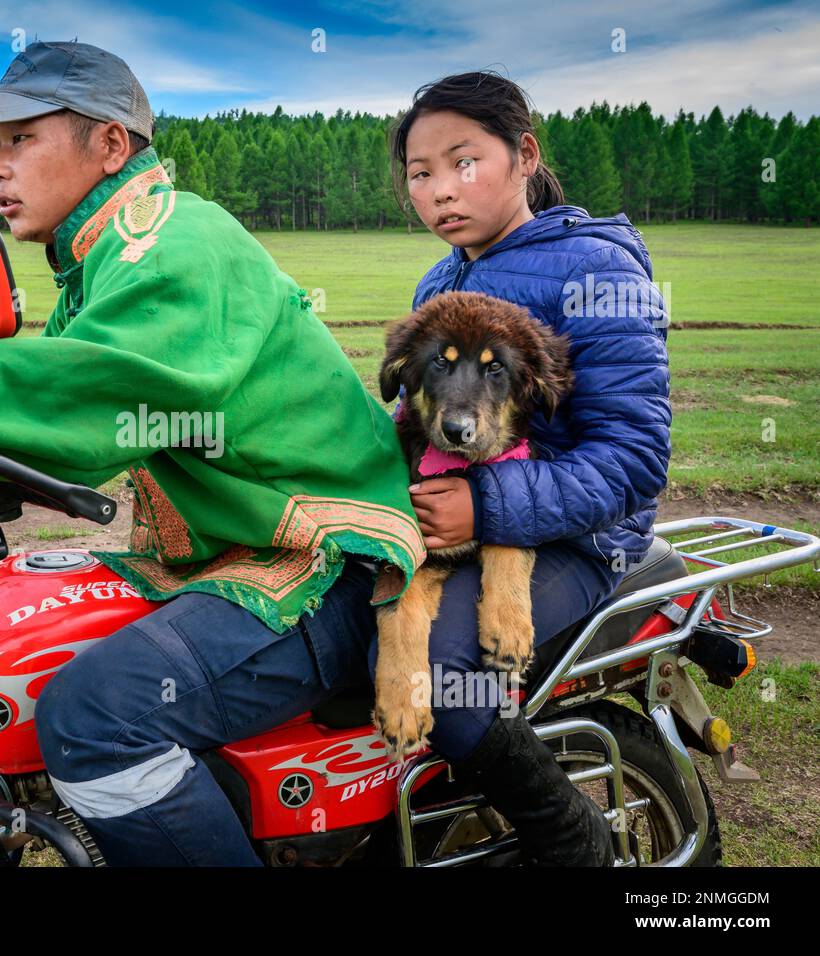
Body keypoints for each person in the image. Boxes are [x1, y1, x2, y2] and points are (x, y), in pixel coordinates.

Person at [0, 40, 425, 866]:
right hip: (233, 553)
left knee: (98, 718)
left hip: (320, 563)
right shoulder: (104, 264)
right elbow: (64, 423)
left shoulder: (176, 241)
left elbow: (97, 389)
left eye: (21, 139)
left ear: (111, 145)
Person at [382, 70, 672, 865]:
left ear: (524, 156)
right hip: (459, 523)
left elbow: (633, 457)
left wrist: (487, 506)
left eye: (463, 161)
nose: (442, 189)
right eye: (421, 172)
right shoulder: (441, 279)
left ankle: (574, 845)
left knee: (444, 674)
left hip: (583, 539)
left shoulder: (598, 271)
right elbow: (413, 418)